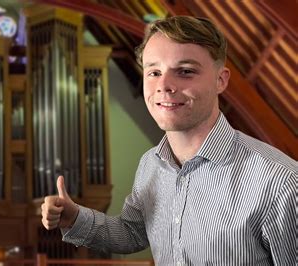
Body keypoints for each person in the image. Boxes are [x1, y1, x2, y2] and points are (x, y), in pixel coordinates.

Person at [41, 16, 296, 265]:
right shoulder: (150, 164)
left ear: (221, 80)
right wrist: (75, 218)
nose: (164, 85)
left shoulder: (281, 183)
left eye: (185, 71)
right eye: (154, 72)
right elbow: (133, 233)